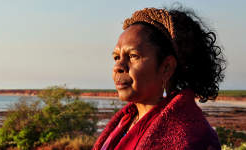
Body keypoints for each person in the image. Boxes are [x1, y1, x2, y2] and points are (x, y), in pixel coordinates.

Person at [93, 6, 225, 150]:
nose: (118, 66)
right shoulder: (125, 122)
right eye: (116, 57)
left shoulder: (193, 137)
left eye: (133, 56)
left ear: (166, 67)